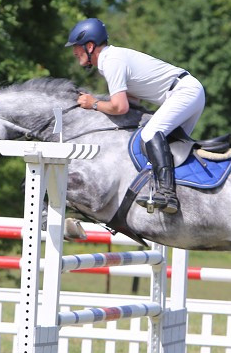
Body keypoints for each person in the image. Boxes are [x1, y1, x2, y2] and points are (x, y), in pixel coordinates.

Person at [65, 17, 206, 214]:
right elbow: (132, 102)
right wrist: (97, 102)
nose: (74, 52)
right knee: (172, 149)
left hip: (184, 92)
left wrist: (93, 103)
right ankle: (183, 198)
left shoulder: (110, 61)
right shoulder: (113, 59)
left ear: (90, 46)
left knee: (150, 135)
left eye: (77, 47)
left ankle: (167, 194)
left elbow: (120, 107)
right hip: (188, 91)